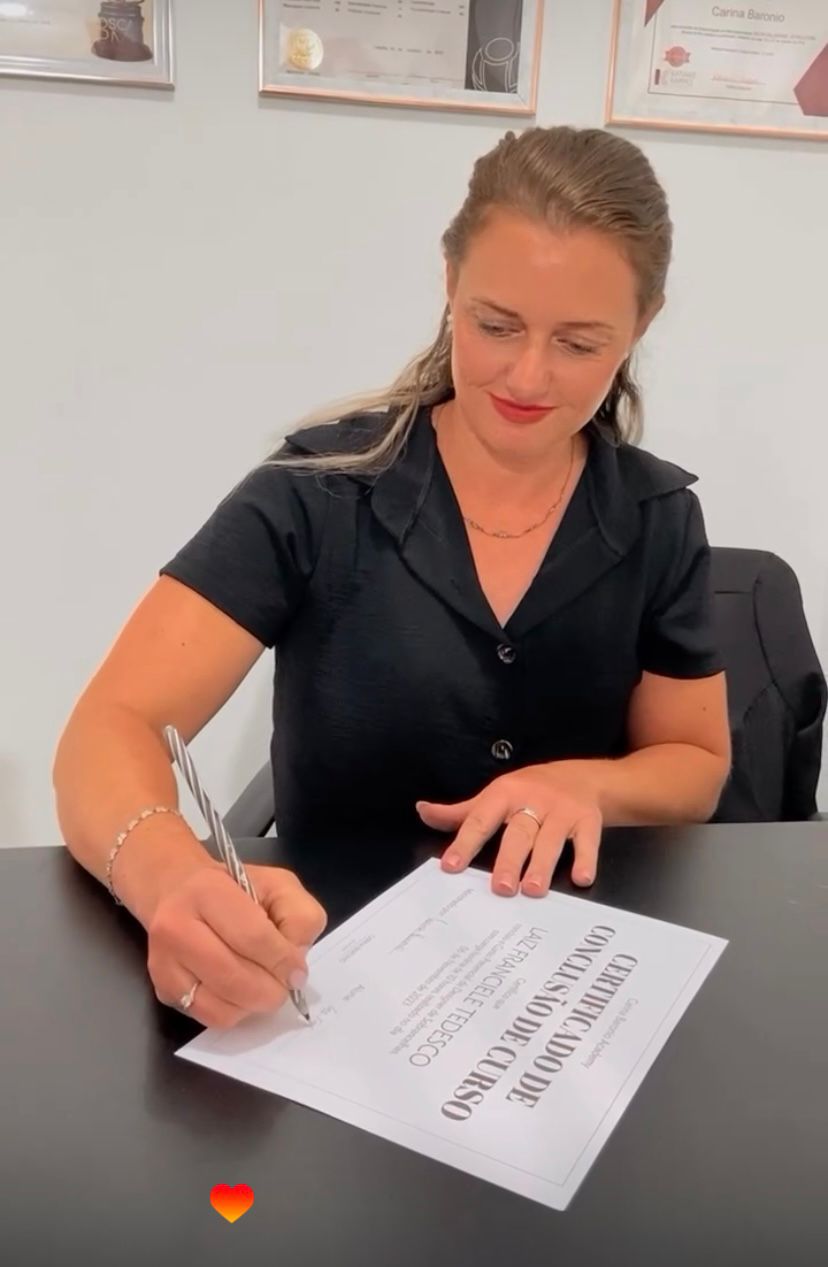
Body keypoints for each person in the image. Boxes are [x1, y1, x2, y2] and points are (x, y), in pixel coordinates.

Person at [54, 126, 731, 1030]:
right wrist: (170, 876)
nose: (528, 374)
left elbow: (695, 763)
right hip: (326, 984)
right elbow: (110, 727)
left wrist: (589, 787)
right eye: (496, 325)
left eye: (579, 343)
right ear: (449, 283)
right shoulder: (315, 496)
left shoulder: (657, 519)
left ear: (641, 324)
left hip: (565, 993)